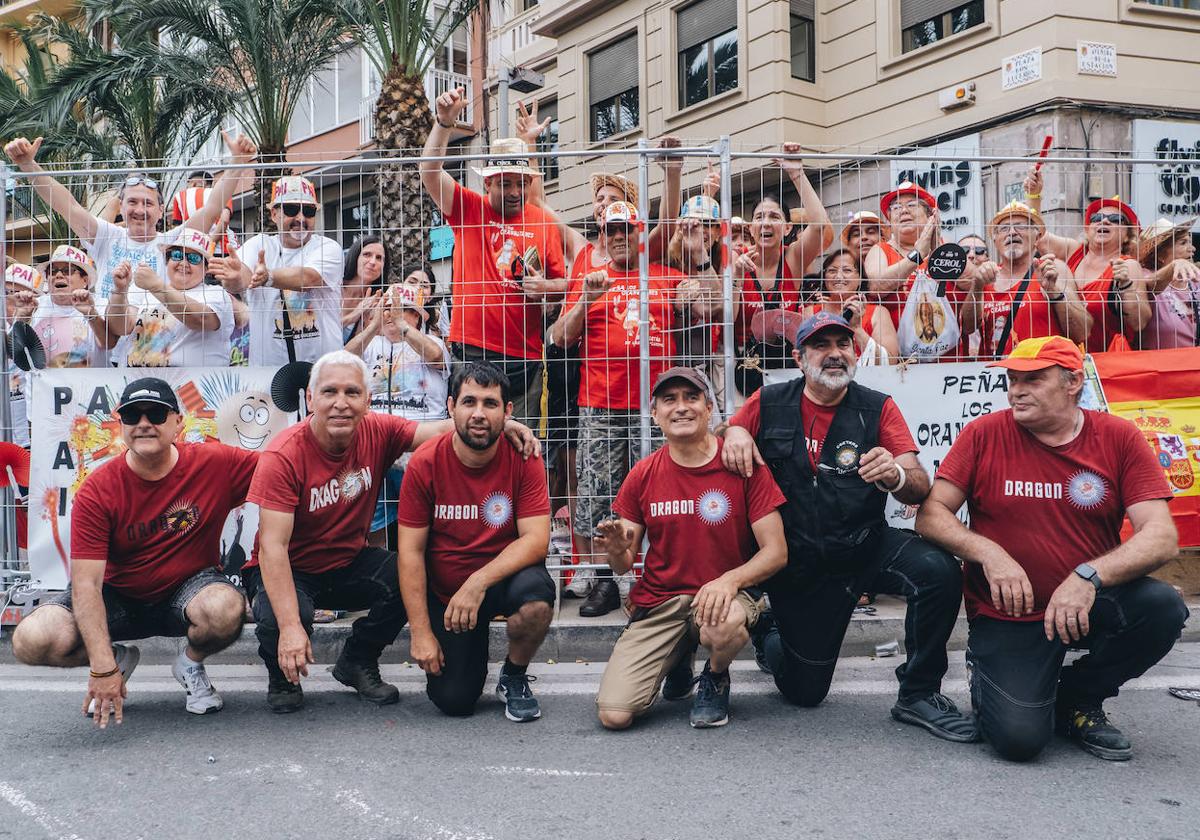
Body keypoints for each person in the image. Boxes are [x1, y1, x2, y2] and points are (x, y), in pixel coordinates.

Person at [916, 336, 1188, 761]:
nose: (1016, 390)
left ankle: (1079, 699)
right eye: (1012, 379)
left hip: (1086, 601)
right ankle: (991, 677)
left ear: (1073, 382)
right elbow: (931, 515)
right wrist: (989, 553)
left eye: (1033, 379)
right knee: (1019, 741)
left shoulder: (1118, 438)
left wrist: (1088, 577)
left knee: (1162, 607)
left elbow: (1161, 536)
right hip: (1010, 610)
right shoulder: (983, 434)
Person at [721, 311, 977, 742]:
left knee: (939, 571)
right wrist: (733, 434)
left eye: (843, 344)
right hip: (797, 564)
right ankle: (769, 631)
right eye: (821, 346)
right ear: (800, 359)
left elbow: (918, 485)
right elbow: (718, 435)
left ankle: (918, 693)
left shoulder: (876, 407)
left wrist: (895, 475)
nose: (835, 354)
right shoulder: (767, 402)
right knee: (804, 693)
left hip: (863, 546)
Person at [242, 350, 538, 713]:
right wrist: (290, 628)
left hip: (347, 560)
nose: (340, 403)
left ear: (368, 401)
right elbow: (273, 548)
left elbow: (443, 427)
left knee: (408, 577)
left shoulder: (378, 430)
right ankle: (281, 675)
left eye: (352, 393)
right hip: (290, 566)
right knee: (283, 613)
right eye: (329, 392)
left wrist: (501, 424)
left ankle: (357, 659)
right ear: (309, 398)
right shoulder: (283, 456)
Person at [10, 378, 257, 725]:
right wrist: (101, 667)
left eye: (155, 414)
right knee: (31, 640)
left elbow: (284, 469)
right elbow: (86, 585)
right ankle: (116, 658)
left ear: (177, 422)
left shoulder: (216, 463)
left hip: (188, 591)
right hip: (118, 599)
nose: (144, 424)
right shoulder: (98, 490)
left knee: (226, 608)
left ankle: (190, 662)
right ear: (122, 425)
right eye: (132, 416)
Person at [550, 201, 719, 618]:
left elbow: (711, 307)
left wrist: (701, 260)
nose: (620, 237)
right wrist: (584, 301)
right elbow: (558, 338)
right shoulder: (591, 278)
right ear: (602, 237)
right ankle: (607, 582)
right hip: (601, 402)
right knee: (598, 495)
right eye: (612, 230)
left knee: (661, 491)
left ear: (640, 234)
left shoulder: (662, 276)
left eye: (628, 230)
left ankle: (657, 579)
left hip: (656, 407)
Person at [594, 367, 787, 729]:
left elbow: (776, 551)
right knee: (614, 715)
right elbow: (622, 565)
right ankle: (679, 655)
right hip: (662, 601)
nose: (681, 408)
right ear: (655, 415)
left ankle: (715, 677)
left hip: (721, 598)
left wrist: (729, 581)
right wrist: (618, 549)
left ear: (709, 409)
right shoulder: (643, 474)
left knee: (724, 623)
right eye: (669, 400)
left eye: (691, 398)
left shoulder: (741, 465)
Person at [397, 361, 554, 722]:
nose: (479, 414)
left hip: (500, 582)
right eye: (469, 402)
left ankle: (514, 675)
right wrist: (420, 632)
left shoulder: (524, 457)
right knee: (453, 701)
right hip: (447, 596)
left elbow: (536, 541)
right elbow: (410, 551)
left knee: (537, 603)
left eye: (490, 403)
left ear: (508, 411)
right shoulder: (425, 463)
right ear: (451, 407)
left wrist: (477, 582)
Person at [420, 87, 567, 423]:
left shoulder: (543, 220)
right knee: (471, 443)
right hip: (473, 350)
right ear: (487, 184)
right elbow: (429, 172)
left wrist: (547, 288)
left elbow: (564, 284)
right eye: (504, 183)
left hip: (525, 356)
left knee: (521, 448)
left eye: (521, 183)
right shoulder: (469, 208)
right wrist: (443, 124)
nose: (515, 192)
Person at [4, 133, 253, 299]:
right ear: (121, 207)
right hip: (108, 346)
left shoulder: (175, 241)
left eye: (148, 203)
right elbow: (66, 205)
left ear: (160, 210)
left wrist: (238, 161)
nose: (139, 210)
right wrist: (28, 165)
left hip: (157, 347)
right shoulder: (107, 235)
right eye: (132, 202)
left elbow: (211, 208)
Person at [346, 282, 450, 545]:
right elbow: (342, 361)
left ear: (417, 317)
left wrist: (404, 329)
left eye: (404, 310)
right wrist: (372, 326)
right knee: (374, 521)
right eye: (389, 310)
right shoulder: (370, 345)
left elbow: (436, 356)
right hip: (376, 447)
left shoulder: (433, 341)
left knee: (420, 521)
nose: (393, 316)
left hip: (418, 446)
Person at [211, 176, 344, 367]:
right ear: (274, 214)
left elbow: (309, 278)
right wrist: (232, 278)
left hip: (323, 371)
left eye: (308, 211)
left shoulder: (328, 247)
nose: (301, 218)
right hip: (268, 372)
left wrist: (268, 277)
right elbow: (243, 278)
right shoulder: (259, 244)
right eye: (291, 210)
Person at [732, 145, 832, 392]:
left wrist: (796, 173)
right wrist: (735, 276)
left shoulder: (794, 257)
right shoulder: (736, 261)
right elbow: (726, 319)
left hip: (790, 365)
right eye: (759, 217)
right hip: (745, 367)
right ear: (751, 228)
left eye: (774, 217)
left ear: (787, 228)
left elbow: (820, 227)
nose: (766, 222)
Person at [1025, 168, 1151, 353]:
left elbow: (1140, 322)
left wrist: (1125, 286)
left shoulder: (1127, 265)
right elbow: (1037, 237)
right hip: (1067, 359)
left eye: (1115, 219)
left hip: (1107, 364)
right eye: (1097, 218)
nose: (1104, 222)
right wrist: (1034, 195)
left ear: (1127, 235)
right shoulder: (1075, 251)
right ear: (1088, 228)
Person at [958, 201, 1090, 358]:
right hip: (998, 377)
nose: (1012, 232)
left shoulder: (1053, 269)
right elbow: (967, 328)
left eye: (1021, 226)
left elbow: (1082, 332)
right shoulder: (987, 277)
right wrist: (977, 286)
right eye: (1004, 229)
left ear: (1037, 236)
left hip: (1042, 376)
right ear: (995, 241)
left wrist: (1053, 291)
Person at [864, 182, 969, 360]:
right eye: (896, 207)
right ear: (889, 220)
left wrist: (937, 250)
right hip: (900, 362)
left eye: (912, 205)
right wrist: (916, 256)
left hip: (950, 360)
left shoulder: (944, 247)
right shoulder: (880, 250)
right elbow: (875, 286)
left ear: (930, 215)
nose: (904, 211)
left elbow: (973, 281)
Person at [104, 230, 235, 367]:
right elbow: (120, 328)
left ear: (206, 268)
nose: (184, 263)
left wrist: (157, 286)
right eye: (177, 255)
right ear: (168, 260)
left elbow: (200, 320)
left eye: (194, 258)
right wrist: (119, 291)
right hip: (133, 381)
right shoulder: (147, 291)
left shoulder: (216, 294)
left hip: (188, 386)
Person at [799, 248, 899, 362]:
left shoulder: (878, 312)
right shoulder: (810, 313)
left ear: (860, 278)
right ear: (824, 278)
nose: (838, 277)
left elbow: (890, 361)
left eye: (847, 270)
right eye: (832, 271)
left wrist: (856, 329)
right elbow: (802, 359)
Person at [31, 245, 114, 367]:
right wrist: (22, 318)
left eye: (67, 270)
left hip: (92, 383)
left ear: (85, 280)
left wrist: (90, 313)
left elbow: (109, 343)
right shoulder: (34, 306)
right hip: (44, 384)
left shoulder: (101, 305)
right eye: (52, 271)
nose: (58, 275)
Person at [1135, 217, 1199, 349]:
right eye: (1183, 243)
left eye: (1190, 243)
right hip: (1160, 366)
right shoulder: (1144, 274)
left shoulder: (1195, 280)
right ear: (1160, 255)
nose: (1192, 249)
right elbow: (1148, 284)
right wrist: (1174, 266)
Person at [4, 262, 43, 447]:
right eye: (7, 291)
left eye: (19, 292)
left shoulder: (42, 323)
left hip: (29, 429)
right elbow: (8, 351)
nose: (12, 297)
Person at [341, 235, 389, 342]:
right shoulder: (332, 288)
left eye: (379, 258)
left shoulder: (377, 301)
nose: (372, 262)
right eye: (367, 255)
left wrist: (365, 323)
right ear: (355, 256)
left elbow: (359, 348)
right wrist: (355, 315)